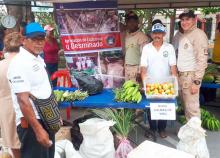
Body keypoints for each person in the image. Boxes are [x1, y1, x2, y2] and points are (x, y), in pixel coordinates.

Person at [7, 22, 55, 158]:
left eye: (42, 39)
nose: (39, 43)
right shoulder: (19, 63)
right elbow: (23, 100)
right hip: (32, 123)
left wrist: (53, 115)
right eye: (34, 39)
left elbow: (42, 89)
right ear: (23, 40)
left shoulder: (38, 59)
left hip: (45, 117)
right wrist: (38, 130)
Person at [140, 22, 177, 138]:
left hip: (166, 84)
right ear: (151, 34)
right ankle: (152, 128)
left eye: (159, 33)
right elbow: (143, 68)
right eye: (155, 33)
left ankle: (162, 129)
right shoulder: (146, 48)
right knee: (151, 106)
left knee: (164, 106)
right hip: (151, 83)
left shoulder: (169, 47)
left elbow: (173, 67)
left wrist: (175, 83)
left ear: (164, 34)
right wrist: (145, 83)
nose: (157, 35)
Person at [177, 10, 208, 120]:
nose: (184, 22)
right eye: (182, 20)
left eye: (187, 19)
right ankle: (190, 135)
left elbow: (202, 60)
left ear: (194, 19)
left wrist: (196, 81)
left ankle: (197, 137)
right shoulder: (184, 35)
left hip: (190, 78)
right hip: (182, 77)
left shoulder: (198, 35)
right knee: (186, 109)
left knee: (192, 110)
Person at [0, 32, 21, 158]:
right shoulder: (27, 64)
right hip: (27, 110)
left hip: (6, 109)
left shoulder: (1, 65)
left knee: (14, 145)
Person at [125, 11, 148, 81]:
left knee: (135, 91)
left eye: (134, 21)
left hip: (136, 69)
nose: (131, 24)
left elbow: (145, 56)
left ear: (137, 22)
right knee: (127, 90)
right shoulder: (127, 35)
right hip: (127, 69)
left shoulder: (142, 37)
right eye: (129, 21)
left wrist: (140, 71)